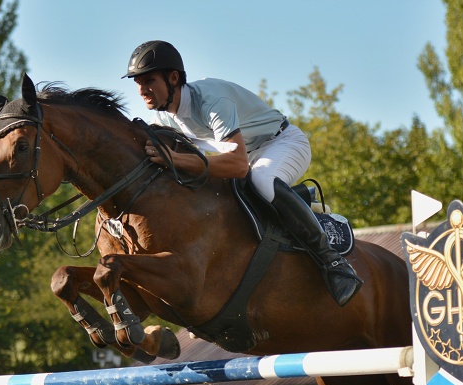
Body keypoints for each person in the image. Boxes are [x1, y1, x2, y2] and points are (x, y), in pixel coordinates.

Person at [122, 40, 362, 306]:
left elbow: (237, 166)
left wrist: (177, 159)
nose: (143, 90)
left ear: (174, 78)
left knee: (262, 179)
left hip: (281, 143)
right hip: (246, 156)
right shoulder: (164, 117)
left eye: (149, 81)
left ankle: (334, 264)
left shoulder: (212, 100)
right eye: (138, 83)